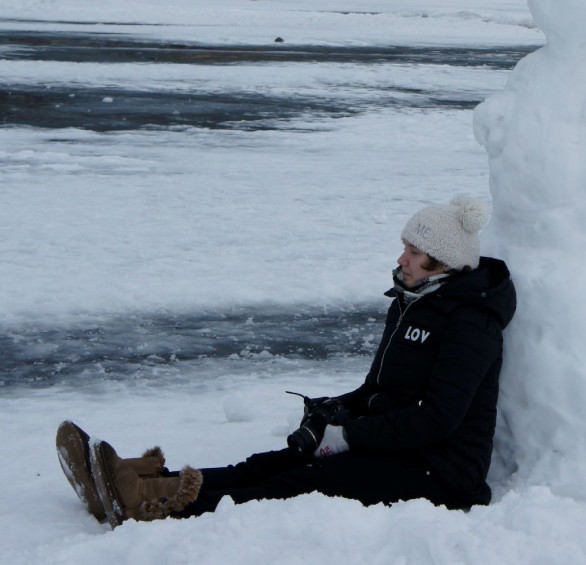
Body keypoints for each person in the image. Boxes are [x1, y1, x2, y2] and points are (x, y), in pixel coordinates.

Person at [56, 195, 516, 527]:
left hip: (442, 471)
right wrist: (332, 412)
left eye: (414, 253)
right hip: (399, 445)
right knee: (266, 464)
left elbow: (438, 420)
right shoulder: (410, 301)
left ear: (443, 264)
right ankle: (139, 481)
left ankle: (149, 505)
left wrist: (346, 436)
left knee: (295, 483)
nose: (401, 258)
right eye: (404, 246)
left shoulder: (472, 324)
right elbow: (378, 389)